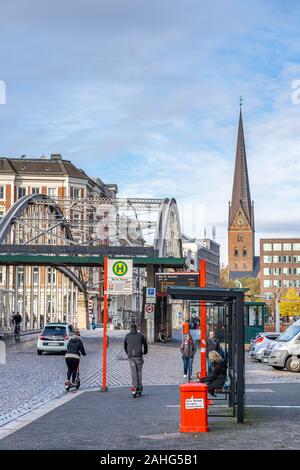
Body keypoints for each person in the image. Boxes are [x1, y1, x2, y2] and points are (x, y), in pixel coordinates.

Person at [124, 323, 148, 392]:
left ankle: (135, 385)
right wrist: (145, 351)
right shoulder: (140, 335)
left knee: (133, 371)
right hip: (138, 355)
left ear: (130, 329)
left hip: (131, 356)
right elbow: (145, 344)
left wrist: (127, 352)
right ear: (136, 328)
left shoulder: (127, 335)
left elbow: (125, 346)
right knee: (139, 371)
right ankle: (139, 386)